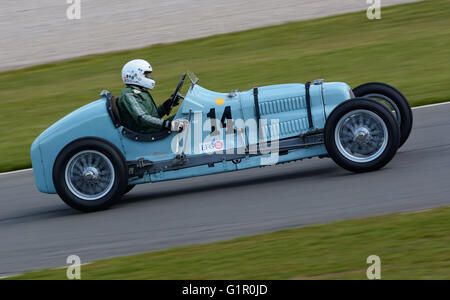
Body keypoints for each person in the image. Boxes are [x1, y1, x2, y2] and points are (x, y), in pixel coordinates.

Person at [118, 59, 186, 133]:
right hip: (145, 133)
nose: (149, 77)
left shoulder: (141, 92)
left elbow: (153, 117)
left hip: (151, 129)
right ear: (135, 75)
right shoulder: (128, 95)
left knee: (186, 118)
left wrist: (167, 105)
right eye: (146, 75)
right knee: (186, 123)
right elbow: (143, 118)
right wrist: (168, 124)